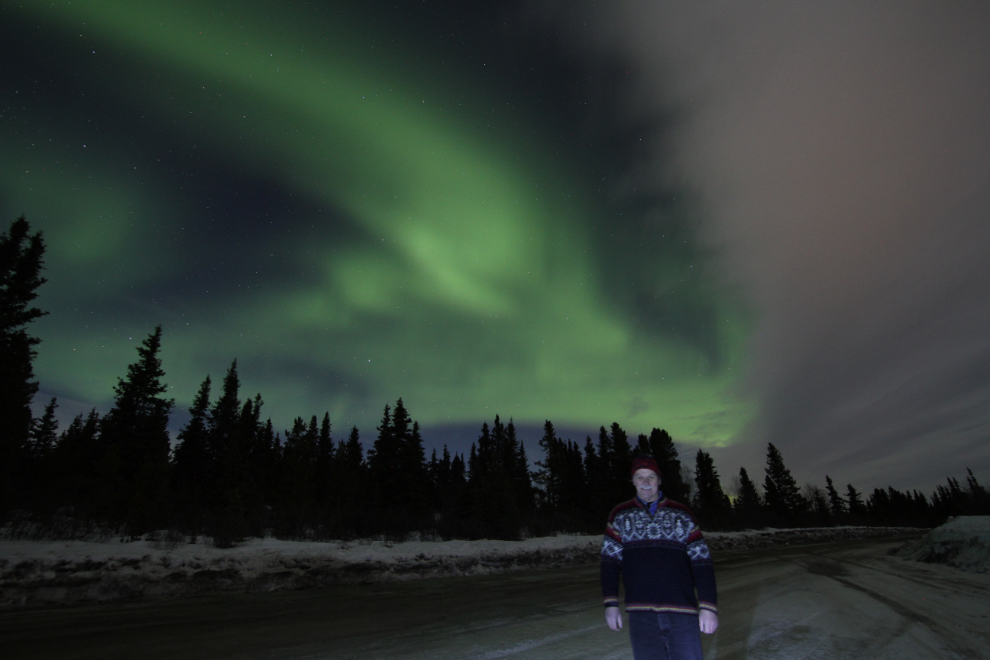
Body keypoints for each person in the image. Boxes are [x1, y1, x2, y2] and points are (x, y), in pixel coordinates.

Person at [601, 456, 718, 659]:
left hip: (682, 613)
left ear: (659, 480)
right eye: (640, 477)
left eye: (651, 477)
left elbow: (701, 562)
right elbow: (609, 563)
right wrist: (610, 604)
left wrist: (708, 606)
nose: (646, 482)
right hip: (641, 615)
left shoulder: (682, 514)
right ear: (633, 481)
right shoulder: (619, 515)